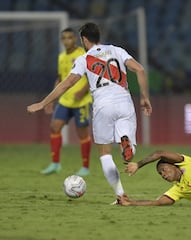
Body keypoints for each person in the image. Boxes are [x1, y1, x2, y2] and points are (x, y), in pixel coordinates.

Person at [27, 22, 152, 203]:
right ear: (98, 37)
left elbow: (67, 83)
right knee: (129, 147)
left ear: (84, 40)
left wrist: (43, 102)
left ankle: (120, 195)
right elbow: (139, 69)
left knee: (105, 153)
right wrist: (144, 97)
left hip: (103, 105)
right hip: (125, 101)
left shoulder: (84, 59)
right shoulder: (117, 50)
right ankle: (127, 145)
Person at [41, 27, 92, 177]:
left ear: (75, 39)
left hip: (81, 101)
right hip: (64, 100)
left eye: (70, 37)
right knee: (54, 127)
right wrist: (51, 99)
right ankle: (55, 164)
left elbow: (92, 75)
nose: (67, 41)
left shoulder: (83, 54)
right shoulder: (61, 57)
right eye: (64, 38)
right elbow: (60, 78)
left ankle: (85, 167)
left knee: (82, 134)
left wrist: (82, 91)